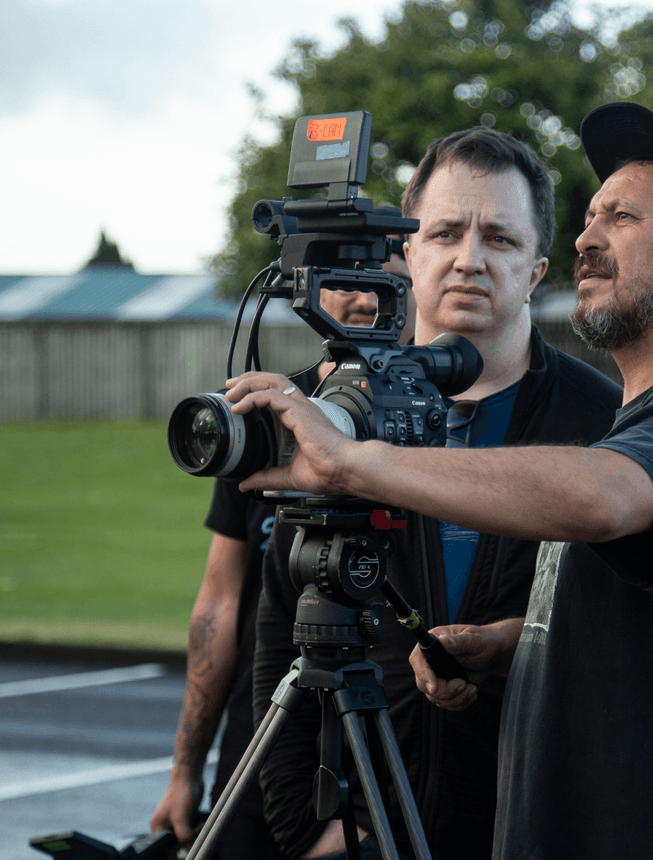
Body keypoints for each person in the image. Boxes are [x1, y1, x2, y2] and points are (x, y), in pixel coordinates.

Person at [225, 102, 653, 859]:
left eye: (624, 217)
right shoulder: (649, 419)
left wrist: (353, 460)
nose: (586, 236)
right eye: (589, 215)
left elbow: (604, 496)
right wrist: (521, 645)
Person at [247, 127, 623, 860]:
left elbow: (626, 639)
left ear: (537, 269)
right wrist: (303, 826)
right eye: (445, 231)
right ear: (409, 251)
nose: (469, 259)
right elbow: (281, 628)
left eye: (501, 239)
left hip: (534, 827)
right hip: (363, 830)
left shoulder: (604, 422)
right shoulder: (328, 414)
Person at [148, 242, 415, 858]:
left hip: (392, 740)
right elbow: (218, 603)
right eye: (345, 280)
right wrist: (185, 769)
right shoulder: (264, 419)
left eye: (385, 281)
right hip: (265, 726)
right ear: (314, 292)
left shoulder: (429, 427)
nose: (361, 296)